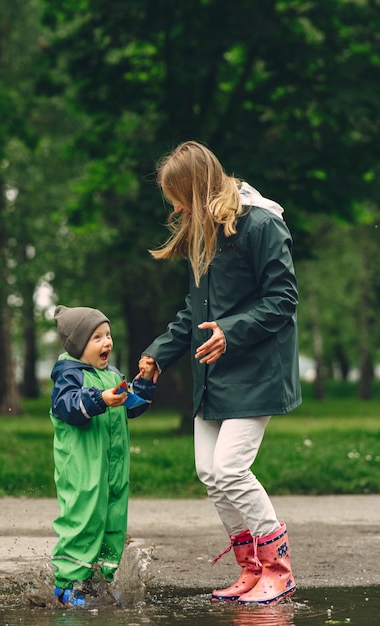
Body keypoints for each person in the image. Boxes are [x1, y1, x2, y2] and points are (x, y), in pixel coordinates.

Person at [138, 140, 301, 606]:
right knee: (209, 471)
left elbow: (283, 300)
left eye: (178, 195)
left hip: (258, 371)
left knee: (231, 469)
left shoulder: (262, 224)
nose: (174, 206)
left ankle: (278, 569)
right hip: (214, 373)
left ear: (198, 185)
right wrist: (158, 353)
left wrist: (230, 331)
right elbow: (194, 313)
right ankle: (250, 570)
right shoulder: (203, 231)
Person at [50, 305, 156, 607]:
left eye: (108, 335)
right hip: (83, 468)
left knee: (113, 519)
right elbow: (67, 405)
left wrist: (145, 382)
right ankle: (67, 583)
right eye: (97, 337)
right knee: (83, 518)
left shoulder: (111, 375)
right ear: (78, 344)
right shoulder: (68, 375)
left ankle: (100, 580)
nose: (106, 342)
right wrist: (100, 399)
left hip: (113, 466)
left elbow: (132, 405)